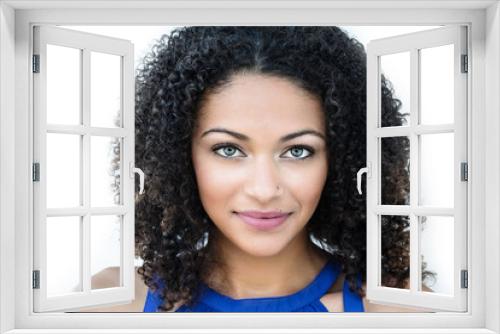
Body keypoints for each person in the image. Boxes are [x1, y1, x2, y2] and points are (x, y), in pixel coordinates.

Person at [130, 26, 434, 313]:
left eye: (298, 151)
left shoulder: (399, 309)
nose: (264, 190)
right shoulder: (114, 304)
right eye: (229, 149)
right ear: (180, 159)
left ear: (341, 161)